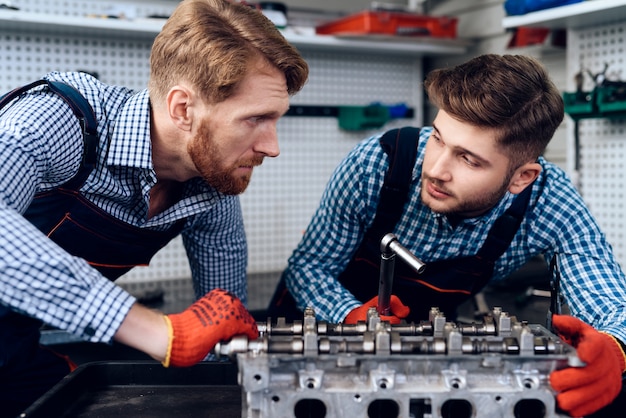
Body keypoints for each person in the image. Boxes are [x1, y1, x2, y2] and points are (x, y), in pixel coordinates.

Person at [267, 54, 626, 417]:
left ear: (522, 177)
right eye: (438, 138)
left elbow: (609, 302)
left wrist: (615, 348)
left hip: (423, 358)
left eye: (468, 159)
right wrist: (347, 314)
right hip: (309, 347)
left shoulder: (550, 200)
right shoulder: (376, 165)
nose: (436, 170)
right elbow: (309, 266)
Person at [0, 0, 308, 414]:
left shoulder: (210, 189)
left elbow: (222, 325)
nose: (272, 147)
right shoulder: (60, 120)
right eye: (255, 119)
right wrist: (157, 332)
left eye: (277, 120)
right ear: (183, 109)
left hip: (13, 343)